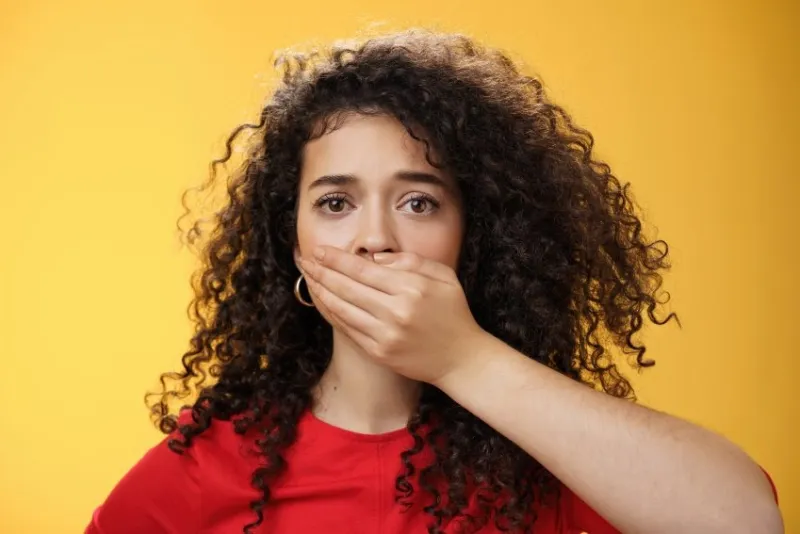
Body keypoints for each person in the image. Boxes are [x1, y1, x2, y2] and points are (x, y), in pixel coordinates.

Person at [85, 29, 782, 534]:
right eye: (335, 202)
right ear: (289, 242)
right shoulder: (208, 470)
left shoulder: (547, 458)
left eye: (419, 202)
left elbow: (746, 522)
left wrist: (462, 356)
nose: (376, 236)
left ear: (471, 236)